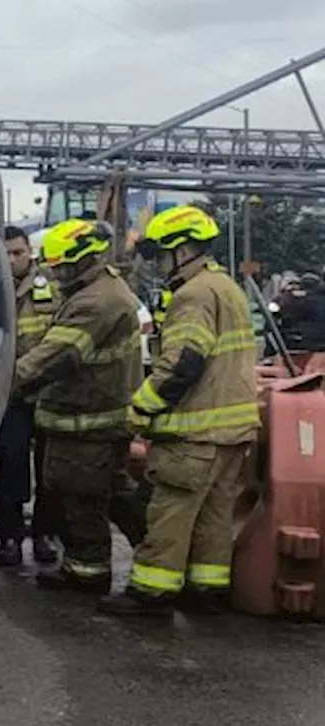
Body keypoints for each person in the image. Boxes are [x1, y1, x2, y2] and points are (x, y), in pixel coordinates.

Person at [100, 205, 261, 616]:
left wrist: (141, 408)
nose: (157, 265)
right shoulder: (226, 287)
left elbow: (182, 364)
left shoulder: (194, 295)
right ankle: (207, 593)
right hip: (232, 430)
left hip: (195, 434)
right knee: (214, 517)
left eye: (161, 255)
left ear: (183, 249)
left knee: (170, 513)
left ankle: (152, 592)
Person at [14, 218, 147, 594]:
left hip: (89, 421)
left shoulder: (95, 301)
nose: (54, 274)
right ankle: (157, 555)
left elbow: (54, 357)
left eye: (59, 266)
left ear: (81, 260)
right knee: (112, 491)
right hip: (93, 417)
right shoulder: (99, 290)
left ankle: (87, 572)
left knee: (82, 496)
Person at [0, 226, 61, 566]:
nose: (11, 259)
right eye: (5, 253)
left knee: (50, 470)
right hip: (11, 395)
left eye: (17, 252)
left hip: (48, 393)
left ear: (29, 253)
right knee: (12, 464)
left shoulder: (52, 289)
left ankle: (45, 535)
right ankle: (9, 537)